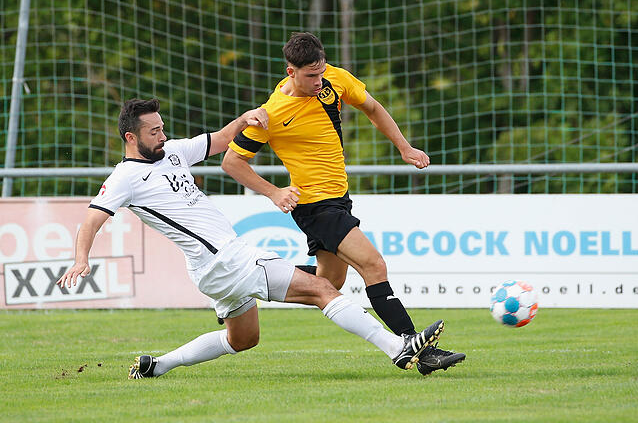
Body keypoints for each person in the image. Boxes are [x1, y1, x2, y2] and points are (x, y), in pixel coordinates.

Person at [57, 98, 444, 379]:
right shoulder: (125, 178)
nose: (162, 135)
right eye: (153, 131)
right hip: (227, 259)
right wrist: (81, 259)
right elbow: (90, 222)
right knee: (323, 288)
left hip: (210, 270)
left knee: (243, 339)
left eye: (162, 128)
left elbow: (221, 141)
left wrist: (245, 118)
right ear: (130, 137)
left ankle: (157, 366)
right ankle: (398, 348)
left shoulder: (172, 152)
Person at [221, 32, 465, 376]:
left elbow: (373, 108)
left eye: (321, 72)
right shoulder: (271, 113)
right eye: (310, 76)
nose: (319, 81)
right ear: (290, 72)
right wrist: (275, 192)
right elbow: (231, 163)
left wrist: (404, 147)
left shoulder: (334, 79)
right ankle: (416, 346)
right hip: (315, 206)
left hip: (339, 199)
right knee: (374, 266)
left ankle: (249, 282)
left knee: (328, 283)